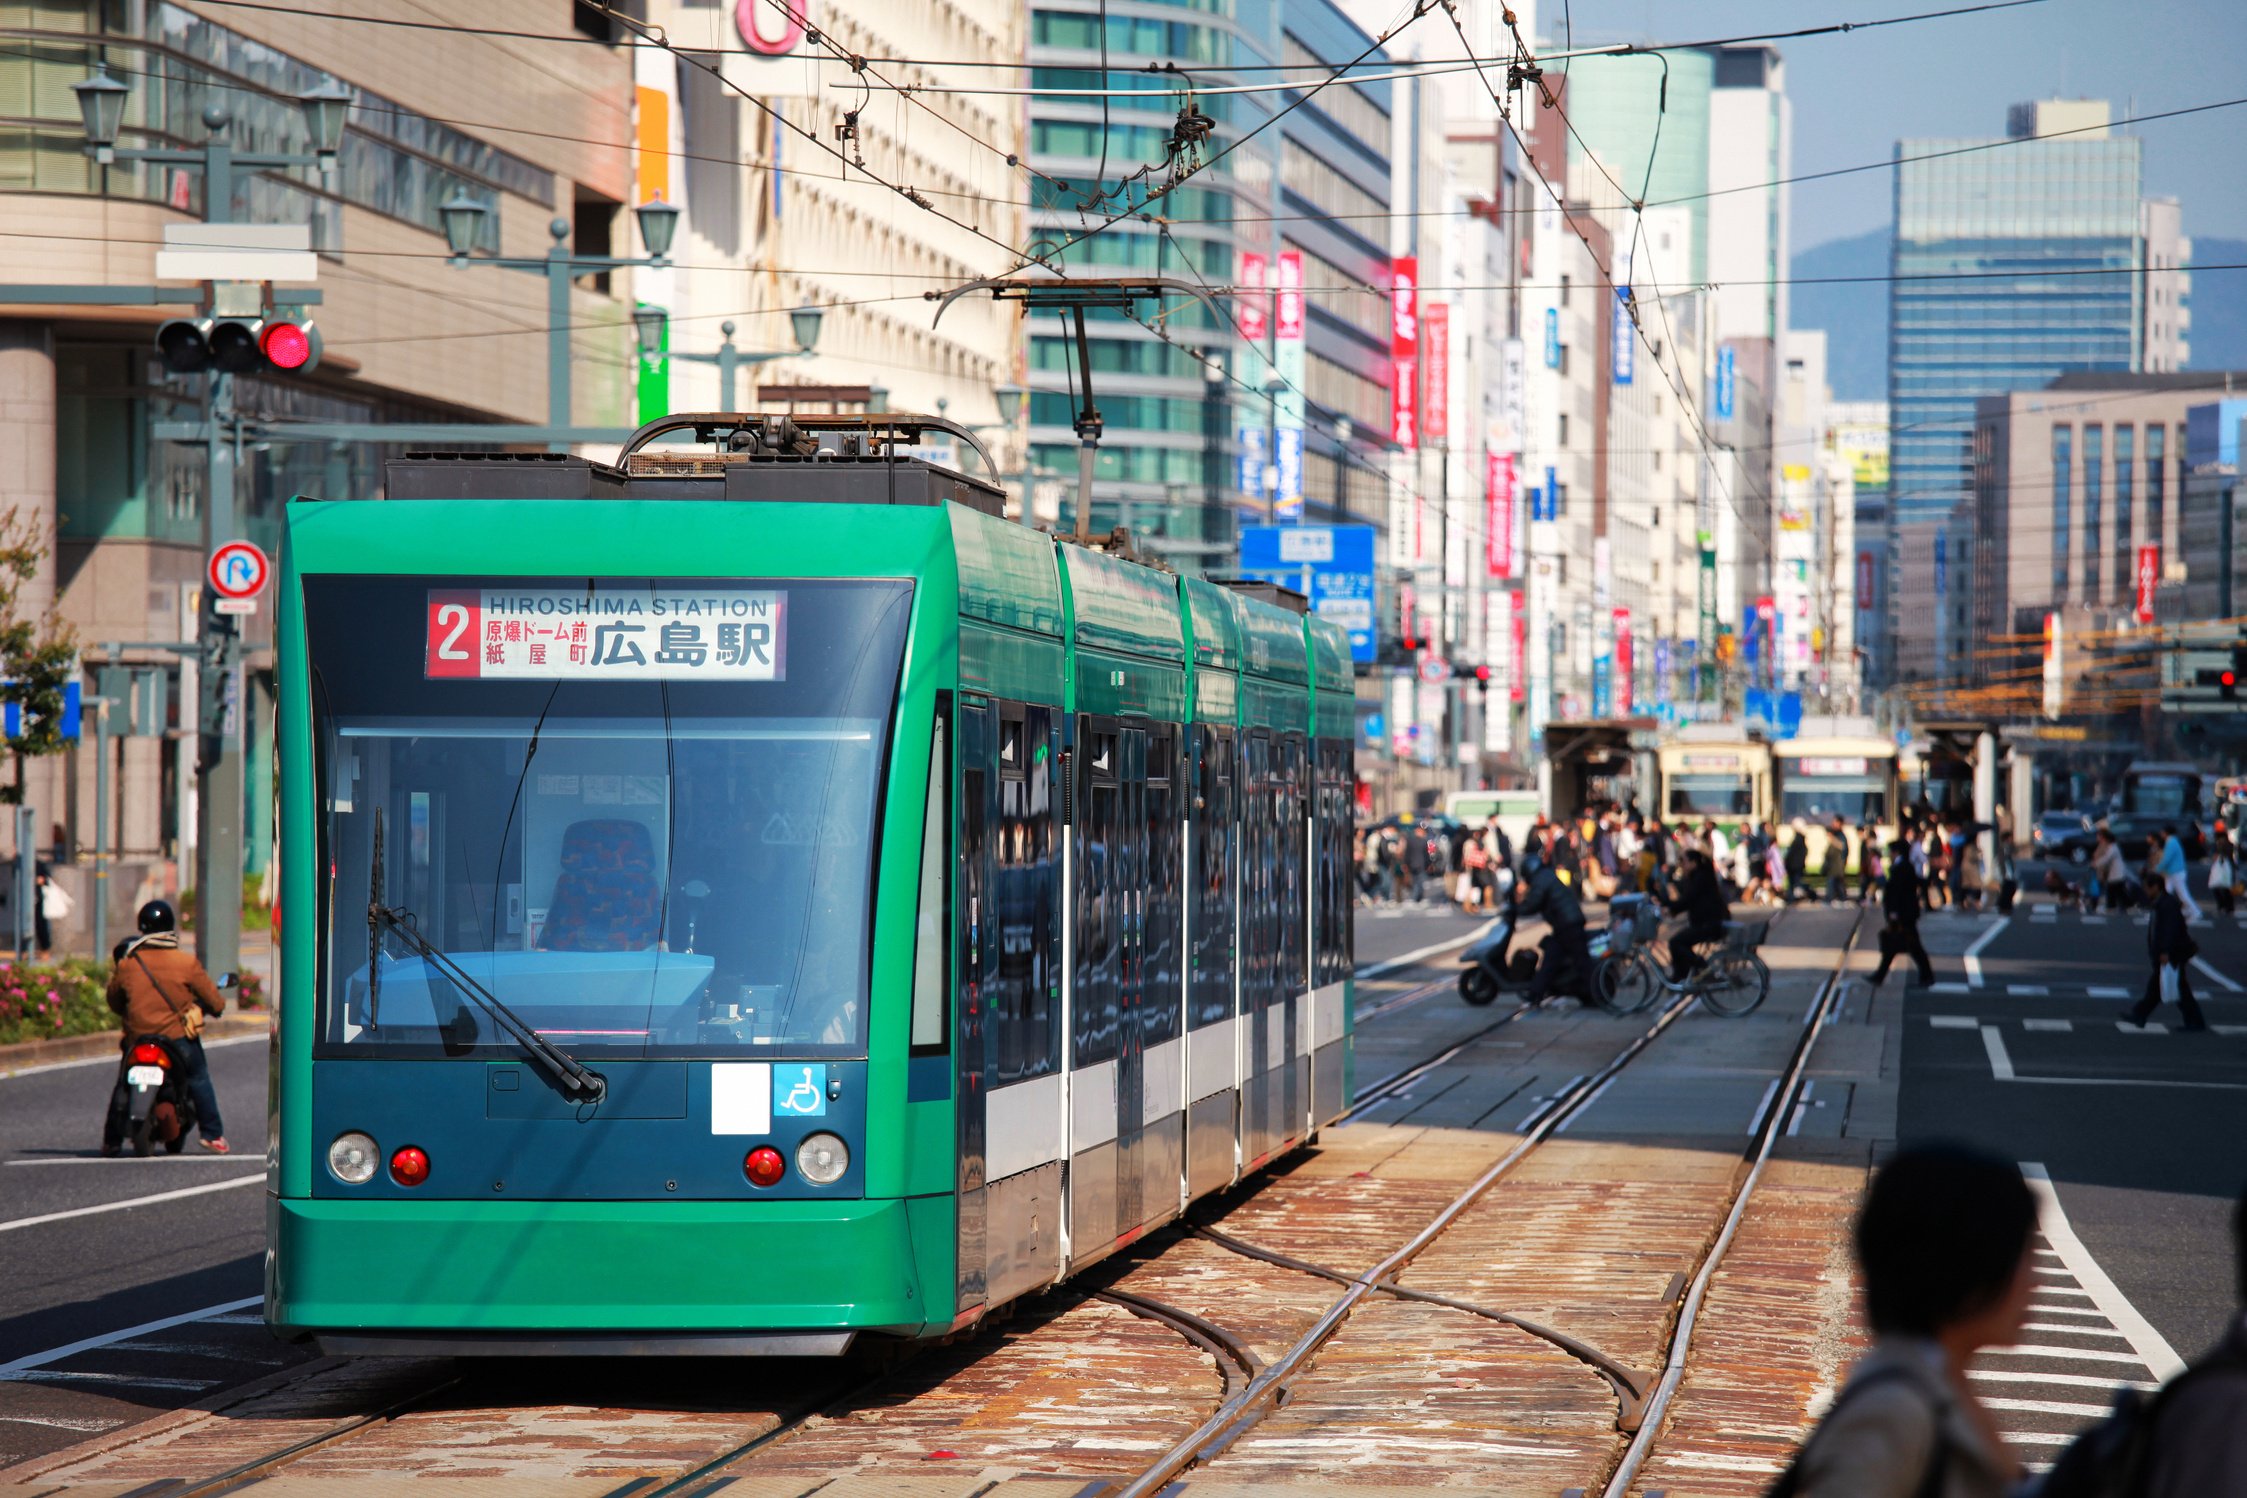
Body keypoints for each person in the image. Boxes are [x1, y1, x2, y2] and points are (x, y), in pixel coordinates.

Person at [1770, 1145, 2035, 1496]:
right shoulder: (1892, 1412)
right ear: (1968, 1267)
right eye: (2023, 1256)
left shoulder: (1939, 1383)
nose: (2033, 1280)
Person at [103, 899, 229, 1155]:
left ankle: (111, 1140)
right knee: (198, 1077)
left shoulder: (129, 964)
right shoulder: (185, 963)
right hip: (176, 1038)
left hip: (138, 1039)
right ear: (170, 927)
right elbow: (215, 1001)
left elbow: (115, 1001)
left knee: (122, 1083)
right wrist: (213, 1007)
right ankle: (212, 1134)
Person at [2121, 872, 2209, 1032]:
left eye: (2147, 888)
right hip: (2170, 952)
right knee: (2158, 988)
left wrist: (2165, 951)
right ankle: (2140, 1014)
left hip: (2173, 953)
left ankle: (2195, 1022)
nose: (2145, 891)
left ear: (2155, 887)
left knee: (2177, 989)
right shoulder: (2162, 902)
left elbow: (2170, 930)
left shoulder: (2167, 904)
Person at [1512, 847, 1591, 1006]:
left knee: (1576, 961)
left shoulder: (1540, 880)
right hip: (1567, 923)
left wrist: (1515, 910)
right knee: (1554, 958)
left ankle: (1594, 992)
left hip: (1567, 925)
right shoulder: (1546, 875)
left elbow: (1533, 903)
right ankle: (1536, 993)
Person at [1870, 837, 1936, 988]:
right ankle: (1880, 976)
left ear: (1896, 852)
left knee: (1912, 945)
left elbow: (1898, 892)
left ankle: (1927, 975)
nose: (1889, 855)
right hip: (1905, 912)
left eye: (1891, 852)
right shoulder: (1904, 866)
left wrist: (1894, 912)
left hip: (1904, 913)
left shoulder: (1903, 867)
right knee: (1896, 945)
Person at [1663, 847, 1730, 983]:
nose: (1681, 864)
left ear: (1694, 863)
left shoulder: (1700, 878)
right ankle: (1684, 976)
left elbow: (1688, 899)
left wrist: (1671, 908)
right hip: (1708, 922)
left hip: (1709, 924)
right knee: (1679, 941)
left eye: (1683, 861)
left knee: (1676, 943)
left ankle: (1702, 968)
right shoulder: (1700, 876)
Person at [2156, 824, 2202, 922]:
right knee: (2167, 893)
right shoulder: (2173, 841)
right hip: (2174, 873)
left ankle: (2195, 911)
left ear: (2166, 833)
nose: (2161, 834)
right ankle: (2160, 912)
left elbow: (2167, 858)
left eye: (2162, 832)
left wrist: (2158, 869)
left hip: (2175, 873)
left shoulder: (2171, 842)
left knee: (2182, 894)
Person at [2089, 826, 2132, 911]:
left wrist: (2095, 864)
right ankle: (2125, 905)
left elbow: (2106, 858)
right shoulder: (2110, 846)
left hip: (2117, 874)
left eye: (2100, 837)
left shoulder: (2113, 847)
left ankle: (2112, 906)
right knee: (2118, 891)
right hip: (2114, 874)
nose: (2098, 838)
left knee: (2113, 890)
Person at [2210, 826, 2238, 918]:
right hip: (2224, 870)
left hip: (2226, 870)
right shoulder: (2228, 845)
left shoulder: (2225, 846)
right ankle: (2226, 907)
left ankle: (2226, 907)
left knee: (2224, 889)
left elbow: (2216, 857)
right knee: (2222, 888)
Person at [1822, 819, 1851, 905]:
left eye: (1835, 823)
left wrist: (1832, 839)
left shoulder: (1840, 837)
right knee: (1838, 882)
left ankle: (1830, 898)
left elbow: (1842, 847)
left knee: (1832, 881)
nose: (1833, 824)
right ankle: (1841, 897)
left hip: (1836, 865)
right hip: (1835, 865)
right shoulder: (1837, 835)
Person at [1783, 819, 1811, 902]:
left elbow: (1792, 854)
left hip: (1794, 866)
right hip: (1797, 865)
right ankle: (1792, 897)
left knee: (1795, 883)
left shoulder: (1798, 839)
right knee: (1795, 883)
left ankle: (1793, 898)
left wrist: (1788, 862)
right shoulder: (1801, 839)